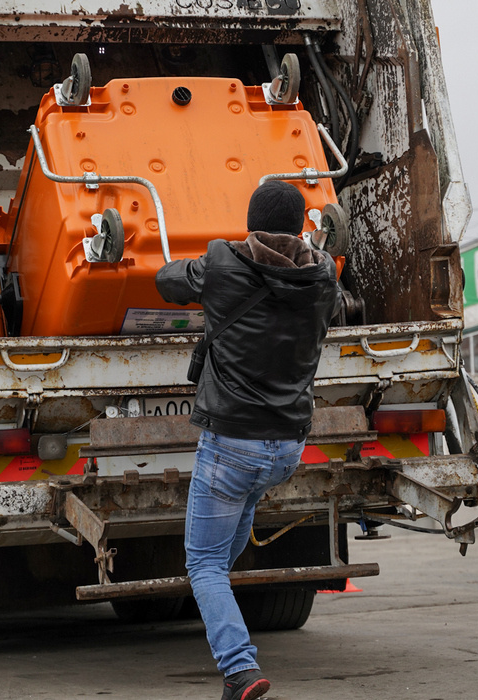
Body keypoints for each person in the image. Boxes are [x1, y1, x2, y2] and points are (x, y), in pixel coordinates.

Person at [155, 180, 341, 700]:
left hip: (233, 443)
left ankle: (239, 670)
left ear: (250, 223)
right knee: (221, 551)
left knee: (203, 563)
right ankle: (225, 615)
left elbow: (166, 281)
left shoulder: (221, 264)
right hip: (286, 448)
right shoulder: (323, 274)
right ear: (300, 227)